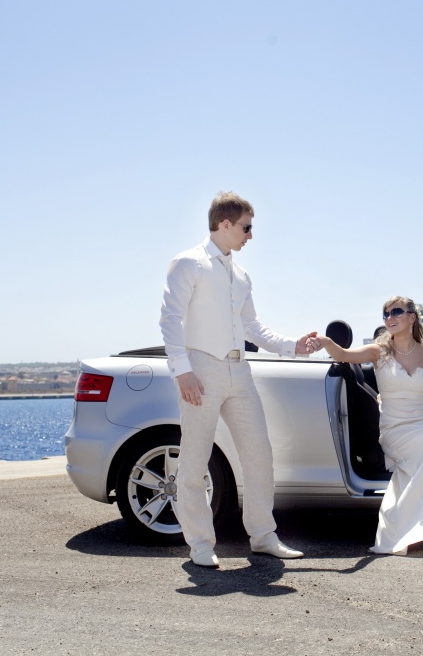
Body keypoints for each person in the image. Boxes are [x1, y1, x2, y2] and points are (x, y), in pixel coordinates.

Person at [159, 191, 317, 568]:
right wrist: (182, 371)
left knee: (259, 455)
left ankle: (263, 536)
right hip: (200, 369)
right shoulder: (189, 262)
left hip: (239, 372)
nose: (251, 235)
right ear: (225, 224)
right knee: (194, 460)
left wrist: (292, 346)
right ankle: (200, 543)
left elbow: (252, 327)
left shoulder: (241, 275)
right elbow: (170, 318)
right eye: (246, 227)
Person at [310, 296, 423, 555]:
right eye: (385, 314)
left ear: (412, 317)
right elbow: (342, 354)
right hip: (396, 429)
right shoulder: (378, 351)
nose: (390, 317)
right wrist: (325, 342)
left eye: (396, 312)